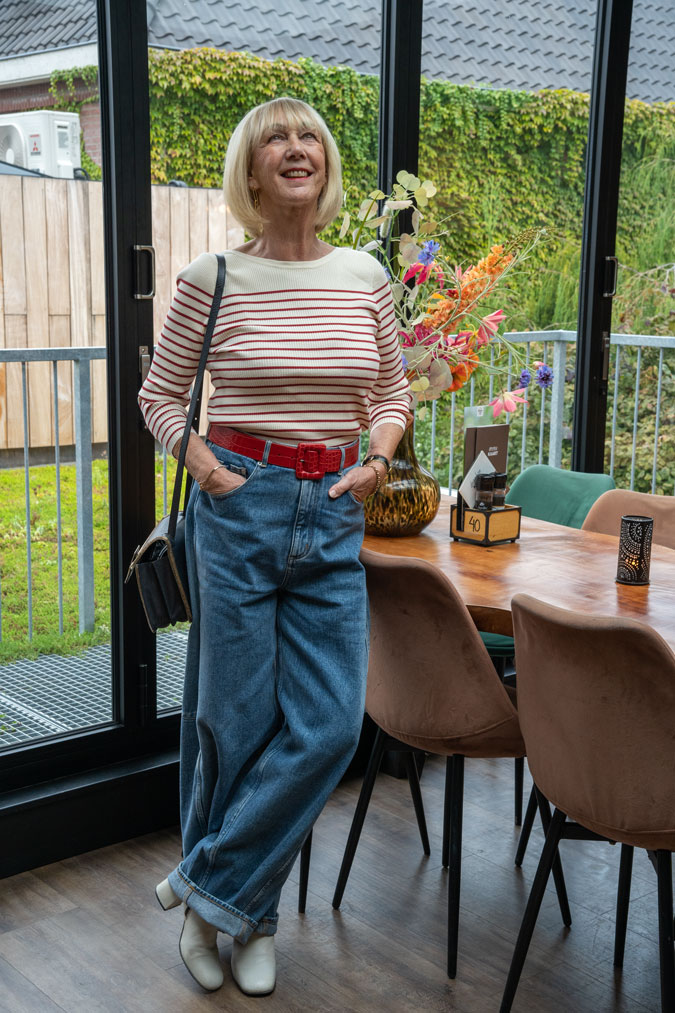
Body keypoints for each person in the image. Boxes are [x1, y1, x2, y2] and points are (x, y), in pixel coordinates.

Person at [138, 96, 411, 997]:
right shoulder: (210, 277)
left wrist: (375, 459)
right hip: (240, 506)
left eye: (309, 139)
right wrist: (213, 472)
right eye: (274, 142)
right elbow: (159, 398)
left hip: (333, 506)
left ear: (325, 165)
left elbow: (390, 394)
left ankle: (209, 886)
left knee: (331, 723)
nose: (296, 151)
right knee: (234, 724)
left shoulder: (365, 275)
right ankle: (245, 920)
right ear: (251, 173)